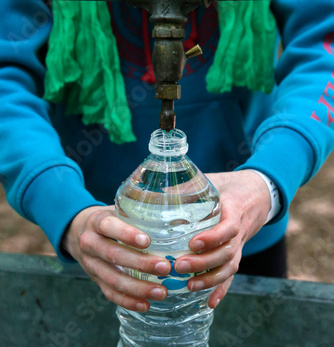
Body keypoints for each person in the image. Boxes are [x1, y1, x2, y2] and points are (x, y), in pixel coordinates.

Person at [1, 0, 334, 313]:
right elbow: (7, 77)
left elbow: (323, 42)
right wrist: (63, 208)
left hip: (247, 228)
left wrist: (268, 178)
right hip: (98, 240)